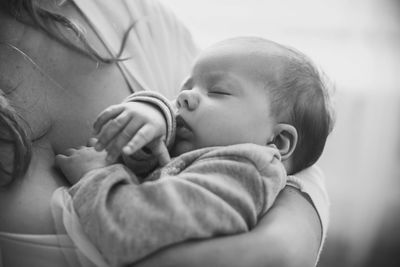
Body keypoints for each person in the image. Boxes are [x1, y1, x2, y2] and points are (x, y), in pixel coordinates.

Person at [0, 0, 329, 267]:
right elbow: (152, 169)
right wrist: (153, 113)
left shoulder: (239, 173)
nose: (183, 97)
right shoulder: (213, 152)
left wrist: (97, 175)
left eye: (217, 92)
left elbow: (133, 227)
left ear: (279, 141)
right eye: (185, 87)